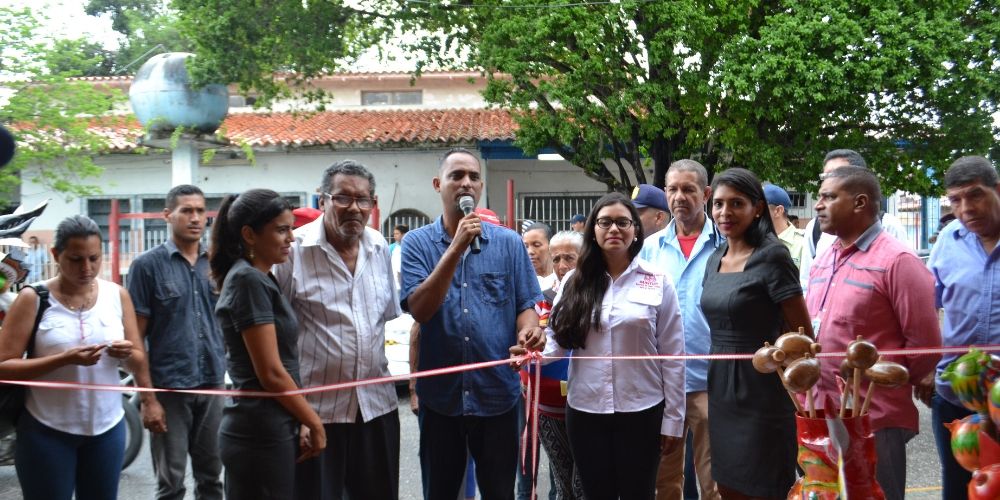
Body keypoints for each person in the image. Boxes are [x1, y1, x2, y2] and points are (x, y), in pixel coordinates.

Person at [516, 192, 685, 500]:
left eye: (623, 222)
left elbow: (673, 356)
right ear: (593, 229)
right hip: (586, 410)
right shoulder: (574, 281)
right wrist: (531, 354)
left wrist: (674, 419)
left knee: (639, 493)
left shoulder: (658, 280)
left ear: (635, 229)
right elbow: (556, 340)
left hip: (642, 409)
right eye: (605, 222)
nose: (614, 229)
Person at [400, 147, 544, 499]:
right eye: (456, 176)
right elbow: (420, 309)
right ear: (439, 184)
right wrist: (455, 248)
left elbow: (526, 305)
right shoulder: (416, 244)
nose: (466, 183)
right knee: (442, 491)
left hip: (497, 395)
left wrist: (529, 331)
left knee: (499, 492)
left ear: (480, 186)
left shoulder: (509, 244)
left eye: (473, 177)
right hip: (441, 401)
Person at [806, 166, 940, 500]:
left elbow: (925, 348)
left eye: (828, 197)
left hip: (874, 419)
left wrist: (887, 382)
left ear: (860, 202)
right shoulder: (825, 258)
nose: (818, 205)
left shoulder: (898, 261)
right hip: (821, 413)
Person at [0, 215, 157, 500]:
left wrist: (141, 383)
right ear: (55, 255)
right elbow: (4, 367)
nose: (87, 268)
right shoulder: (33, 298)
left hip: (107, 429)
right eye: (75, 259)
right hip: (46, 430)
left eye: (94, 258)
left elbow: (137, 356)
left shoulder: (117, 295)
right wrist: (63, 359)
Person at [274, 161, 402, 500]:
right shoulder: (293, 252)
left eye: (364, 200)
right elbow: (275, 338)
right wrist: (295, 413)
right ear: (323, 201)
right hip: (316, 414)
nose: (355, 208)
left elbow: (381, 319)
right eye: (343, 198)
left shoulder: (378, 248)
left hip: (377, 409)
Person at [701, 168, 813, 499]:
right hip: (721, 387)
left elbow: (802, 335)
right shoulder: (715, 258)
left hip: (763, 390)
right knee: (728, 485)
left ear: (758, 208)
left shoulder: (772, 256)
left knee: (765, 486)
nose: (725, 212)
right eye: (718, 204)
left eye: (736, 203)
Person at [210, 189, 326, 500]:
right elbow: (271, 372)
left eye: (291, 228)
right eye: (281, 229)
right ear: (249, 234)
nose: (292, 238)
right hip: (258, 433)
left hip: (269, 427)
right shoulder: (249, 281)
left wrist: (300, 419)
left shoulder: (261, 277)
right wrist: (313, 421)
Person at [127, 184, 225, 500]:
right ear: (168, 215)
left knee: (212, 480)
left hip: (212, 385)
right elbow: (135, 338)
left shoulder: (218, 264)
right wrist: (148, 399)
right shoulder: (147, 266)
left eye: (200, 211)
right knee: (170, 485)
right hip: (169, 390)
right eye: (186, 211)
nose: (195, 218)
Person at [641, 159, 722, 500]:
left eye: (688, 190)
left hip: (711, 383)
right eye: (672, 190)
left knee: (716, 482)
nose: (679, 197)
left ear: (705, 193)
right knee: (664, 482)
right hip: (662, 385)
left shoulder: (725, 245)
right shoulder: (649, 249)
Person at [923, 156, 1000, 499]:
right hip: (953, 393)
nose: (965, 208)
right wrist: (926, 368)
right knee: (957, 488)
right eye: (955, 200)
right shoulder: (948, 240)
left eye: (975, 195)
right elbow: (928, 308)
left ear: (997, 190)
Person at [804, 149, 911, 260]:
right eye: (825, 177)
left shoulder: (889, 226)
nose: (830, 181)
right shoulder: (815, 228)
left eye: (838, 175)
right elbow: (807, 276)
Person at [763, 183, 811, 290]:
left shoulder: (803, 244)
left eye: (760, 207)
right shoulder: (754, 241)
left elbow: (807, 287)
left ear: (778, 211)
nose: (755, 213)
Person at [523, 222, 556, 290]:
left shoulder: (564, 279)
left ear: (552, 246)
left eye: (536, 245)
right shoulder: (520, 281)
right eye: (526, 246)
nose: (530, 251)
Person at [391, 224, 409, 290]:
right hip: (394, 282)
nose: (394, 236)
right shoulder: (392, 247)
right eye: (394, 234)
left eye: (397, 233)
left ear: (403, 234)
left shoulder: (410, 247)